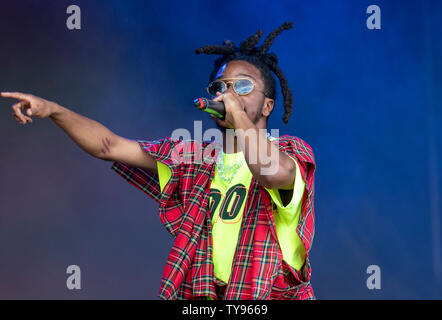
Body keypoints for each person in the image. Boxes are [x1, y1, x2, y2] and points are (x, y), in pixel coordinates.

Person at [1, 21, 316, 300]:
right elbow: (108, 146)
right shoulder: (194, 160)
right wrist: (55, 110)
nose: (228, 94)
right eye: (220, 87)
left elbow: (272, 172)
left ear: (267, 106)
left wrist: (237, 115)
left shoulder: (291, 150)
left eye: (243, 86)